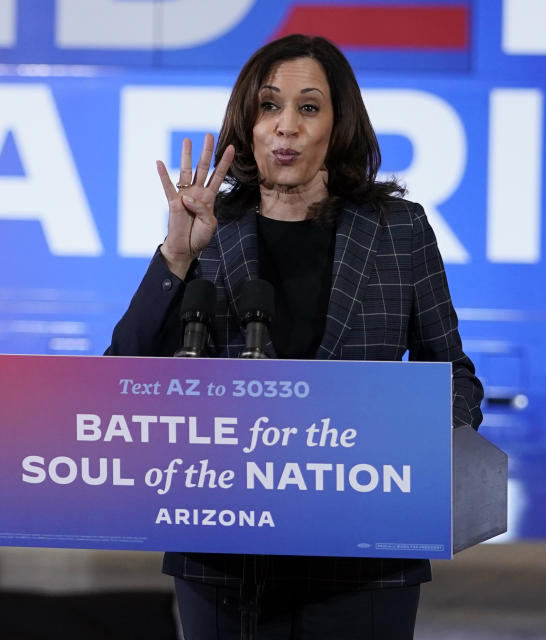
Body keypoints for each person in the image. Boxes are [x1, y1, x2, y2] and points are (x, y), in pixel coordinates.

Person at [106, 35, 483, 639]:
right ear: (248, 125)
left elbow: (455, 375)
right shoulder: (208, 231)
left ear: (338, 126)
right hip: (223, 557)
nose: (286, 127)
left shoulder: (399, 230)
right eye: (268, 107)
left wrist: (416, 451)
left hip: (364, 556)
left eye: (308, 108)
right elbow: (121, 373)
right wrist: (176, 254)